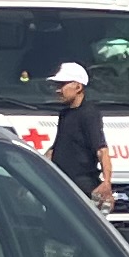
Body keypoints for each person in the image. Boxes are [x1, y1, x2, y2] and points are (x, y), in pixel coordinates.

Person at [46, 60, 107, 200]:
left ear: (78, 87)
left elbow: (102, 150)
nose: (58, 90)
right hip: (61, 183)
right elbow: (56, 148)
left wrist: (107, 183)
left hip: (82, 187)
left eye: (62, 85)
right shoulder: (65, 114)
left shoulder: (89, 113)